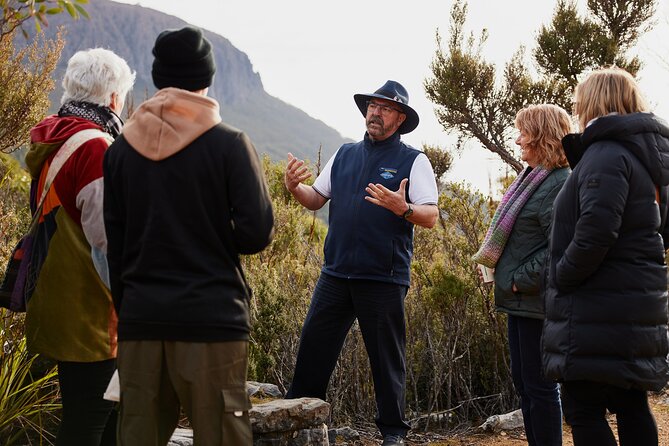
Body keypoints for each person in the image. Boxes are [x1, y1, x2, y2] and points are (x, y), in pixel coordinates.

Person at [103, 26, 274, 446]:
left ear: (158, 77)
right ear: (206, 79)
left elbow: (116, 246)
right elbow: (257, 231)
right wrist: (211, 237)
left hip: (142, 323)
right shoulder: (229, 145)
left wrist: (131, 310)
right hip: (211, 322)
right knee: (222, 437)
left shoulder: (120, 151)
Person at [284, 80, 439, 446]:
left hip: (383, 277)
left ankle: (393, 434)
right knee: (313, 351)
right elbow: (315, 199)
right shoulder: (345, 154)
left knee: (386, 361)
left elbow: (430, 216)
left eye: (385, 108)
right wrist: (293, 188)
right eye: (372, 105)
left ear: (400, 118)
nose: (375, 112)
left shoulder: (414, 161)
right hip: (335, 274)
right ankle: (296, 422)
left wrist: (403, 209)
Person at [542, 67, 669, 445]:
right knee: (631, 404)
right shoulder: (647, 157)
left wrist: (562, 277)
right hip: (631, 302)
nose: (577, 106)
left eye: (580, 99)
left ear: (595, 101)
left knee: (583, 410)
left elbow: (597, 231)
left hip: (597, 305)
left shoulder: (606, 153)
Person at [23, 48, 135, 446]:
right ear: (114, 99)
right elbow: (110, 240)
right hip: (93, 316)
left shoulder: (57, 134)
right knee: (89, 423)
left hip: (56, 299)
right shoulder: (96, 147)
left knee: (87, 415)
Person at [473, 104, 570, 446]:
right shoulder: (532, 178)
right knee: (524, 383)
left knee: (540, 387)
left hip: (536, 299)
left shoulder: (558, 183)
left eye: (524, 133)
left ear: (541, 137)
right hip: (520, 301)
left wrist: (519, 279)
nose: (517, 140)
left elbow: (559, 247)